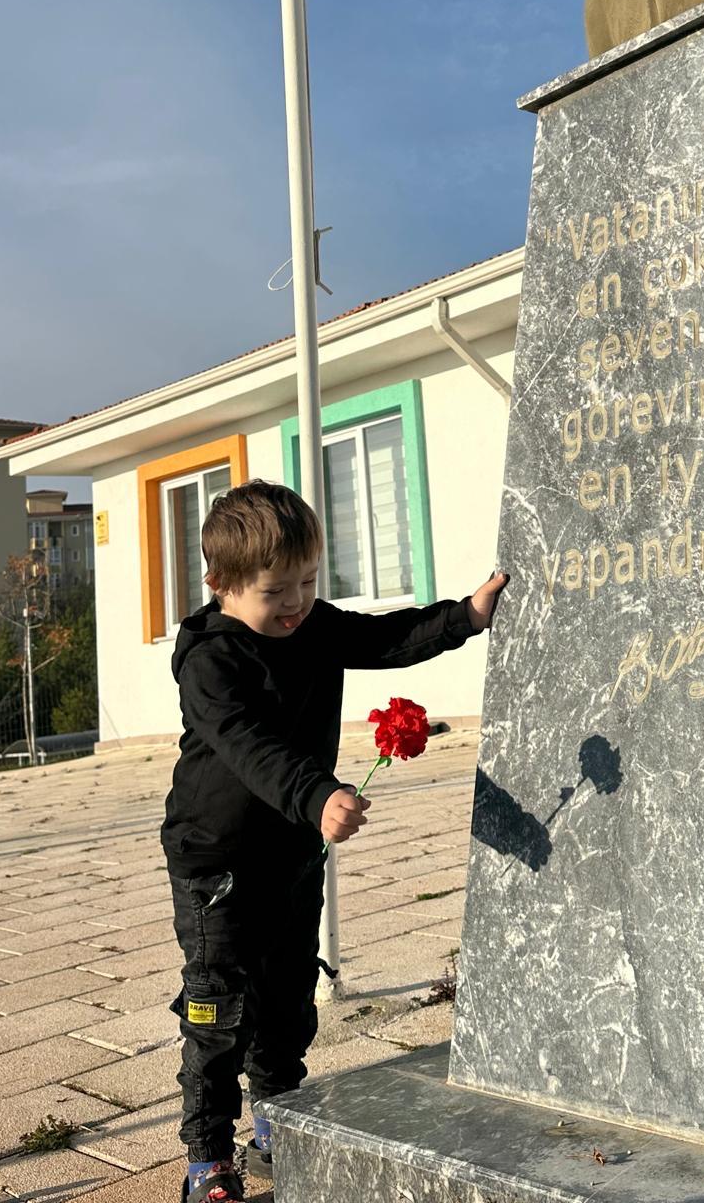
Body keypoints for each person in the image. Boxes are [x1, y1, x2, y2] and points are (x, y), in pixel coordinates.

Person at [160, 478, 507, 1202]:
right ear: (220, 585)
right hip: (217, 861)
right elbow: (248, 745)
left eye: (310, 582)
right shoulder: (210, 662)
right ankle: (206, 1156)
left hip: (290, 853)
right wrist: (317, 793)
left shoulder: (312, 626)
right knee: (218, 1004)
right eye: (274, 591)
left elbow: (384, 638)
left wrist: (464, 618)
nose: (295, 604)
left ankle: (279, 1117)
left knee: (287, 997)